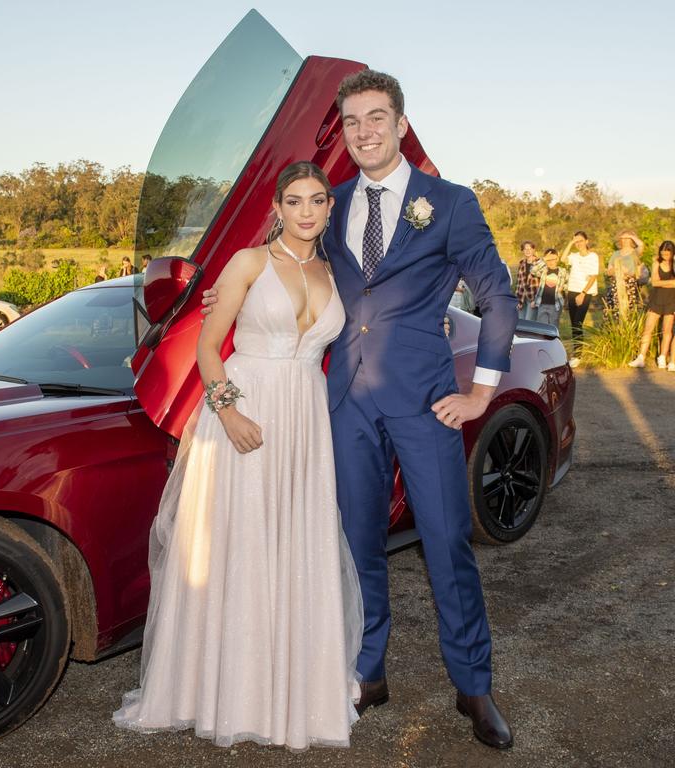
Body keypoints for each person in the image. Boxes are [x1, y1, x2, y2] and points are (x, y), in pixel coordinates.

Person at [201, 70, 517, 750]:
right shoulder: (327, 203)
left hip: (428, 405)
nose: (365, 131)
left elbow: (498, 297)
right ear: (342, 133)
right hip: (340, 408)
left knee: (447, 544)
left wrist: (482, 391)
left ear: (402, 125)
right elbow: (277, 271)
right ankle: (367, 671)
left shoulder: (450, 203)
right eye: (352, 122)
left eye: (378, 118)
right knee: (353, 547)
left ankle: (474, 686)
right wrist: (226, 292)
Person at [114, 162, 364, 750]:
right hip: (242, 414)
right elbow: (207, 345)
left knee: (295, 544)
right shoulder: (249, 263)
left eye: (317, 201)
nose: (306, 211)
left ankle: (291, 692)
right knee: (241, 546)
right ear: (276, 208)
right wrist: (226, 413)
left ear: (330, 208)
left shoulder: (335, 274)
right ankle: (225, 690)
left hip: (304, 421)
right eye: (294, 201)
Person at [628, 240, 675, 370]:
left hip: (672, 300)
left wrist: (662, 282)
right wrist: (671, 282)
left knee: (667, 331)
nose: (665, 256)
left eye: (668, 253)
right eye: (663, 253)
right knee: (647, 329)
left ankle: (662, 357)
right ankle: (641, 357)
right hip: (656, 299)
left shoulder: (674, 264)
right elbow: (654, 282)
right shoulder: (656, 263)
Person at [560, 231, 600, 367]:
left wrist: (583, 293)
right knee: (574, 323)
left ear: (587, 241)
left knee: (578, 322)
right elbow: (562, 259)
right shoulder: (574, 256)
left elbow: (594, 276)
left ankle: (577, 355)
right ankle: (576, 352)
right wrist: (570, 243)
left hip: (585, 292)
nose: (578, 244)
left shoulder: (593, 256)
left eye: (580, 240)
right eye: (576, 241)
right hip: (572, 290)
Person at [604, 229, 645, 315]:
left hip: (630, 285)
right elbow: (608, 271)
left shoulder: (635, 252)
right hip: (616, 284)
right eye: (623, 238)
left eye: (628, 238)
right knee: (614, 310)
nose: (625, 240)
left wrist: (631, 235)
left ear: (632, 240)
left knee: (629, 310)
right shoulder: (616, 253)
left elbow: (641, 245)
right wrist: (617, 269)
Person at [529, 248, 568, 327]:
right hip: (542, 304)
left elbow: (567, 283)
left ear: (557, 259)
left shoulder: (563, 271)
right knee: (542, 327)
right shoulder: (544, 270)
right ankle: (543, 339)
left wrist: (563, 288)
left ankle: (554, 339)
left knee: (553, 327)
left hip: (555, 304)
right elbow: (532, 270)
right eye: (548, 260)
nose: (551, 262)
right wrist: (543, 260)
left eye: (553, 259)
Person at [515, 240, 540, 321]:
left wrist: (536, 300)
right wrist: (518, 300)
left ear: (533, 250)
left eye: (530, 249)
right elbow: (519, 283)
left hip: (533, 297)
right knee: (520, 322)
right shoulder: (521, 263)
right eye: (525, 249)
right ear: (523, 251)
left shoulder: (539, 263)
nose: (528, 251)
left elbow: (542, 283)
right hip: (522, 297)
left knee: (529, 322)